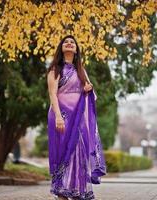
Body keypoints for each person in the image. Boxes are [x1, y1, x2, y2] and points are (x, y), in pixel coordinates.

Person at [47, 35, 107, 200]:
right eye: (66, 42)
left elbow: (91, 95)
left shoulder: (81, 71)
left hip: (78, 120)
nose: (69, 43)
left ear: (76, 49)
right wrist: (58, 116)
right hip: (61, 117)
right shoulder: (55, 69)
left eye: (72, 42)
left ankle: (78, 192)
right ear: (61, 47)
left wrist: (88, 89)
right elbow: (52, 94)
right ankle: (62, 195)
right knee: (62, 156)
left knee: (78, 154)